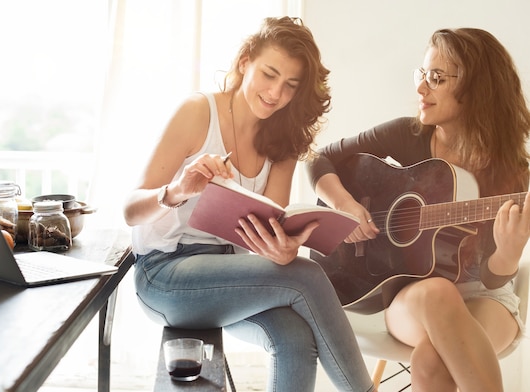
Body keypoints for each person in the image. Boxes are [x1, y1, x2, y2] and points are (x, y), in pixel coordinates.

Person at [123, 16, 376, 392]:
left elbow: (265, 231)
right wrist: (177, 190)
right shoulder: (198, 112)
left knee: (293, 336)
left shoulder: (285, 142)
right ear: (245, 63)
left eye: (290, 85)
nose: (275, 93)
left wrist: (282, 251)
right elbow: (130, 209)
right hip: (165, 276)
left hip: (232, 274)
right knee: (308, 277)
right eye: (269, 75)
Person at [307, 27, 530, 392]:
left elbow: (493, 278)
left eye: (437, 78)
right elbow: (322, 159)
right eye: (422, 74)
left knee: (430, 361)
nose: (421, 89)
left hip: (483, 293)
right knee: (437, 292)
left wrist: (509, 251)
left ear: (477, 90)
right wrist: (345, 205)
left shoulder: (508, 169)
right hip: (408, 292)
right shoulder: (407, 135)